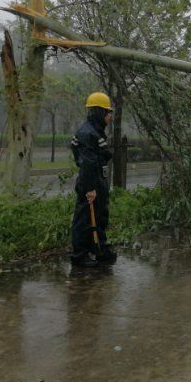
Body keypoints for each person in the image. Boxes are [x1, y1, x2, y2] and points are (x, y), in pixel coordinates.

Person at [69, 92, 117, 267]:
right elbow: (87, 163)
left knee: (99, 216)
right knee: (84, 219)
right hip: (90, 182)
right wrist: (90, 188)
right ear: (98, 112)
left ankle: (99, 249)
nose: (110, 116)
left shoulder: (95, 131)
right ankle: (79, 255)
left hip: (98, 180)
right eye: (107, 112)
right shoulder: (87, 133)